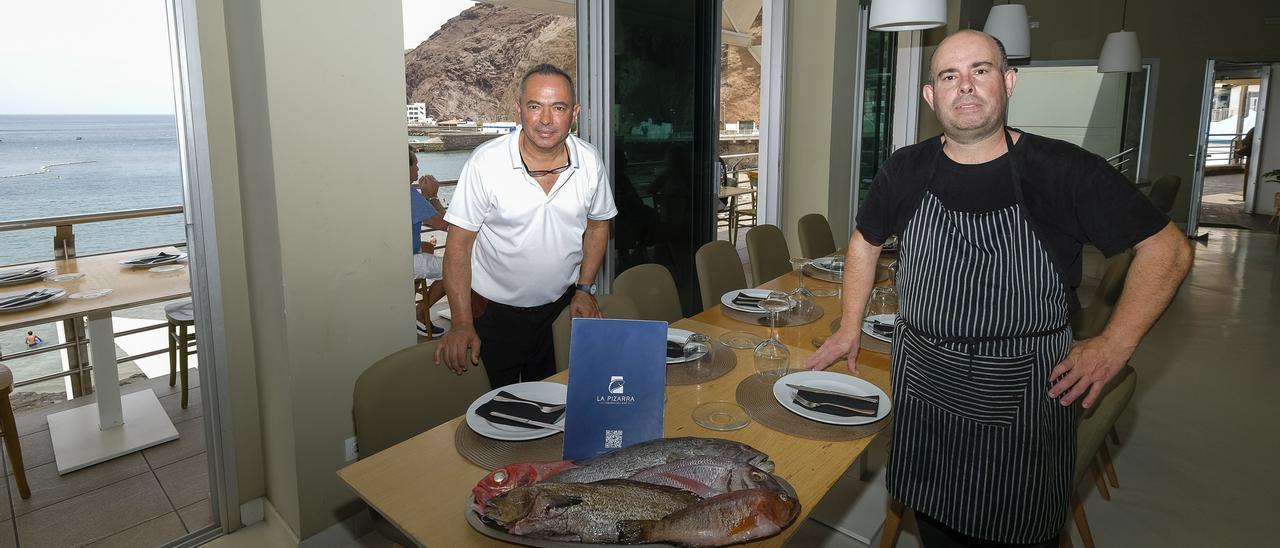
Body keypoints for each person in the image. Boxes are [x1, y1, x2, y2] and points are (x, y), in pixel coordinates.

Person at [805, 30, 1192, 547]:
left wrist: (1115, 343)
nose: (964, 86)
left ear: (1008, 82)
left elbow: (1169, 250)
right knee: (934, 525)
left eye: (980, 70)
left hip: (1022, 401)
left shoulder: (1062, 170)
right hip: (924, 386)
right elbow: (863, 242)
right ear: (931, 96)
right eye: (949, 75)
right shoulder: (904, 168)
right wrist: (849, 325)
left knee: (1014, 532)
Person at [435, 63, 616, 388]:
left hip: (559, 312)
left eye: (557, 107)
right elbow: (458, 246)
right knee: (494, 415)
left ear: (573, 112)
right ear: (519, 109)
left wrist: (585, 288)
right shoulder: (486, 163)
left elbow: (599, 226)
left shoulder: (589, 161)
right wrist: (461, 323)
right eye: (535, 106)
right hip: (492, 316)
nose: (546, 120)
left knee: (557, 403)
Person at [409, 149, 449, 337]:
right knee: (456, 268)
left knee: (428, 247)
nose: (418, 168)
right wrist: (433, 196)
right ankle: (419, 314)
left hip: (398, 254)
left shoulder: (407, 193)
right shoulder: (410, 195)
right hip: (406, 260)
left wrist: (425, 198)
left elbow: (425, 217)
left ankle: (411, 309)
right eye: (415, 164)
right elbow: (444, 224)